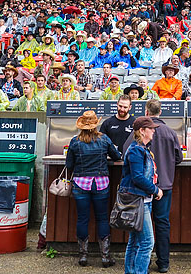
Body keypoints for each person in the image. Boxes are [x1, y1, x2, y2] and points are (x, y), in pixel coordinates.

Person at [121, 97, 182, 273]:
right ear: (160, 112)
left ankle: (142, 264)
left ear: (146, 111)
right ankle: (163, 263)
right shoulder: (170, 132)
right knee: (161, 223)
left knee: (140, 227)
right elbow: (178, 158)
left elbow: (125, 153)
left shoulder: (137, 138)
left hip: (144, 190)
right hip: (164, 185)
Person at [65, 111, 122, 268]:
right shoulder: (104, 139)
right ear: (96, 124)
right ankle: (105, 256)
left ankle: (83, 255)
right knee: (102, 218)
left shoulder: (75, 142)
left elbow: (69, 165)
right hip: (100, 183)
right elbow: (117, 156)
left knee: (83, 218)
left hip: (81, 183)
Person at [119, 117, 162, 274]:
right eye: (151, 128)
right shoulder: (137, 149)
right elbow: (138, 177)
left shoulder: (141, 148)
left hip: (142, 200)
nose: (154, 131)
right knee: (147, 242)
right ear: (142, 131)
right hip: (139, 201)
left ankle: (130, 271)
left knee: (135, 241)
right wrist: (155, 190)